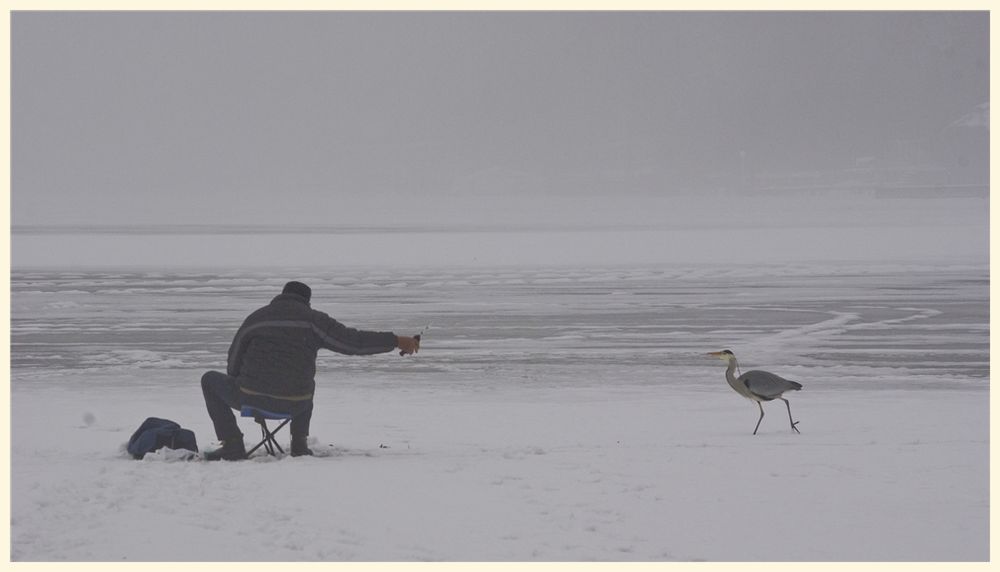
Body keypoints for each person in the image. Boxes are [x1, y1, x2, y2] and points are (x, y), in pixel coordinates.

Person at [201, 280, 420, 460]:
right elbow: (354, 343)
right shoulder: (314, 321)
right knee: (306, 381)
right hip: (295, 403)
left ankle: (231, 443)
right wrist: (396, 341)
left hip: (250, 398)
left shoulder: (257, 318)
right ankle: (299, 445)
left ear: (281, 296)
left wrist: (242, 385)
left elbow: (233, 360)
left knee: (209, 380)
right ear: (306, 301)